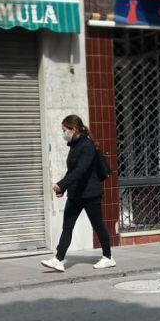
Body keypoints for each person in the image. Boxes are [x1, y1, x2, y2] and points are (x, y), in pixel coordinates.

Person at [42, 115, 115, 272]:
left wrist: (61, 184)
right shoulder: (74, 145)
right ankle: (58, 260)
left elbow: (81, 171)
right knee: (67, 226)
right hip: (76, 194)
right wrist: (63, 188)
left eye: (64, 130)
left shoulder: (87, 146)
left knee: (98, 225)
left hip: (90, 194)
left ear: (74, 129)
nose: (63, 133)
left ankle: (108, 257)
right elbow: (72, 171)